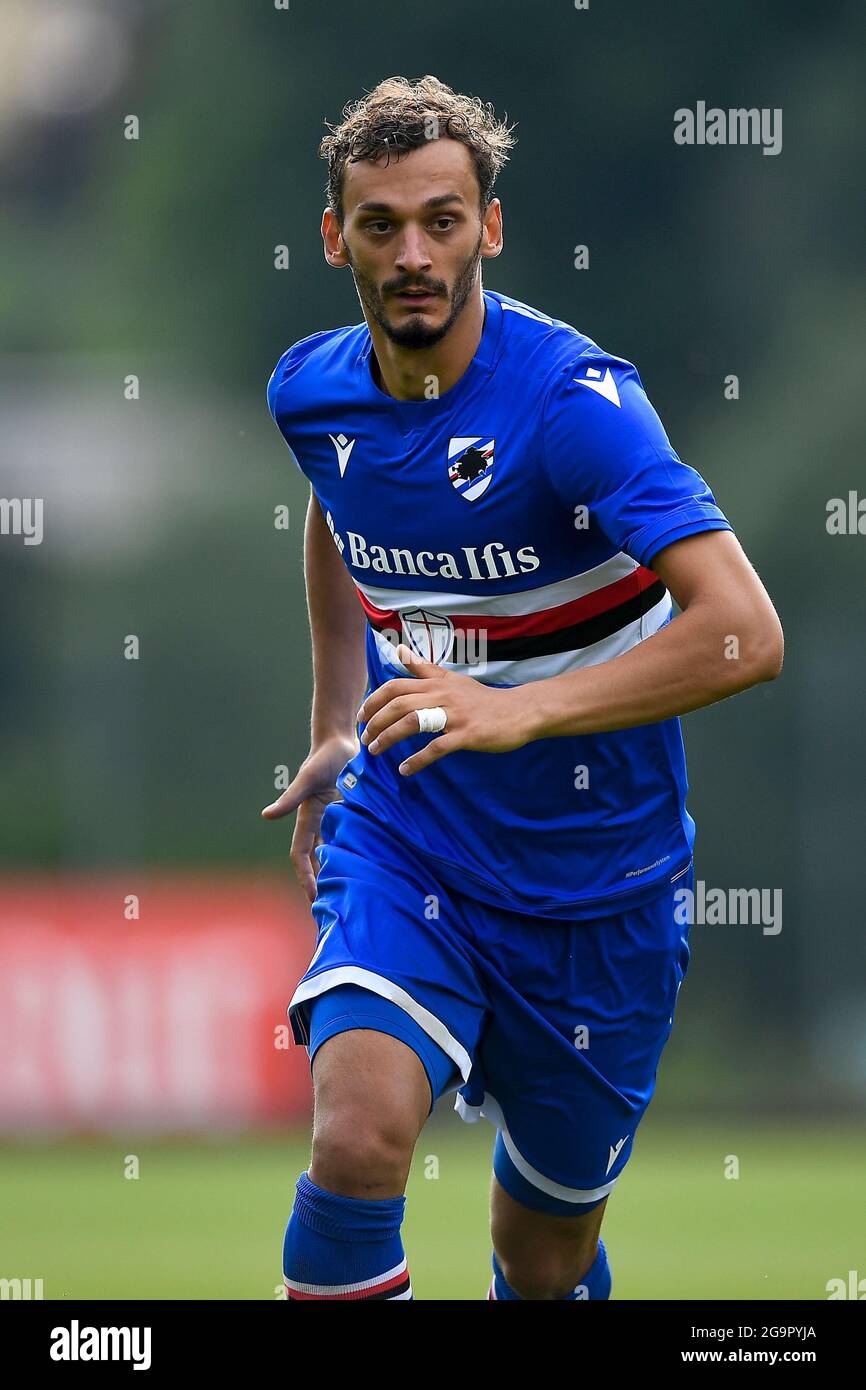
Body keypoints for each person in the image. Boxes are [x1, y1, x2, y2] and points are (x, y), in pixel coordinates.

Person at [263, 75, 784, 1301]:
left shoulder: (571, 408)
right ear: (335, 238)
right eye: (380, 224)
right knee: (353, 1139)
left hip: (596, 887)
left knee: (538, 1256)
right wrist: (338, 724)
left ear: (488, 229)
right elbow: (339, 508)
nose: (412, 253)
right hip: (414, 835)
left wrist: (520, 708)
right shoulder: (311, 391)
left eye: (442, 220)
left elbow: (744, 632)